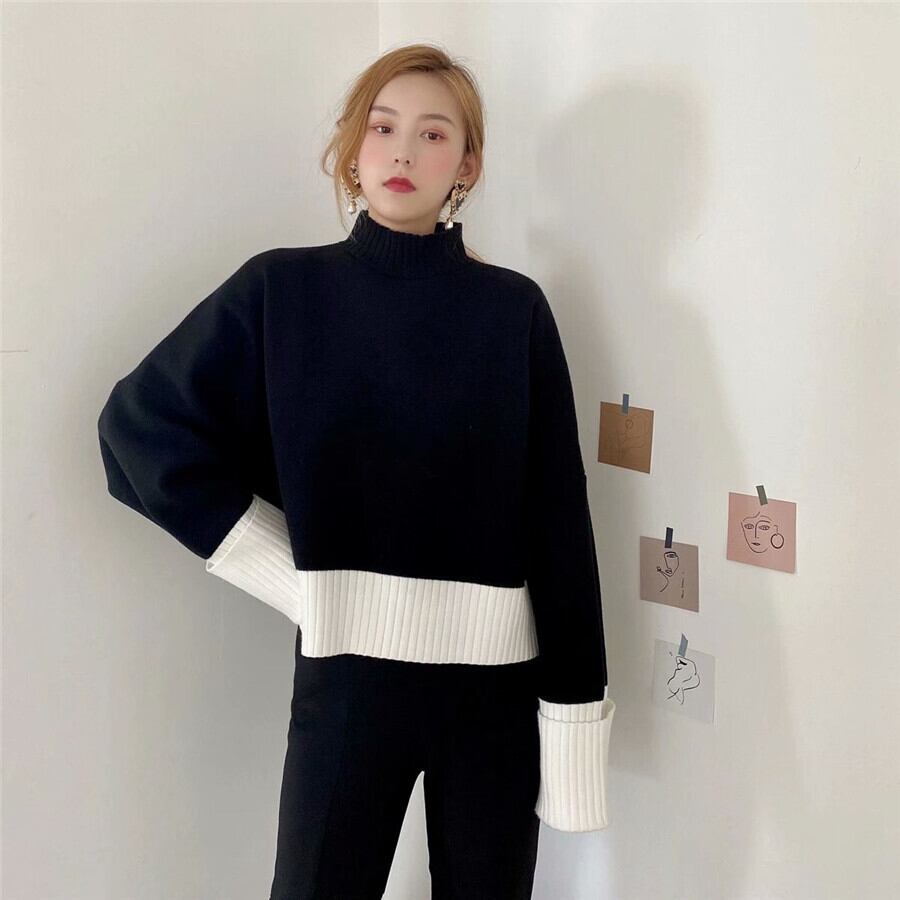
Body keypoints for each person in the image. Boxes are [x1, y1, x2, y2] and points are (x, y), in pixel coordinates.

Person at [97, 42, 615, 900]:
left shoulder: (512, 311)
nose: (403, 150)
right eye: (382, 127)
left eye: (433, 133)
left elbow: (559, 523)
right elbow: (137, 430)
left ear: (467, 165)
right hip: (347, 683)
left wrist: (572, 717)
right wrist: (290, 577)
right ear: (353, 146)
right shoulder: (283, 291)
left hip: (494, 695)